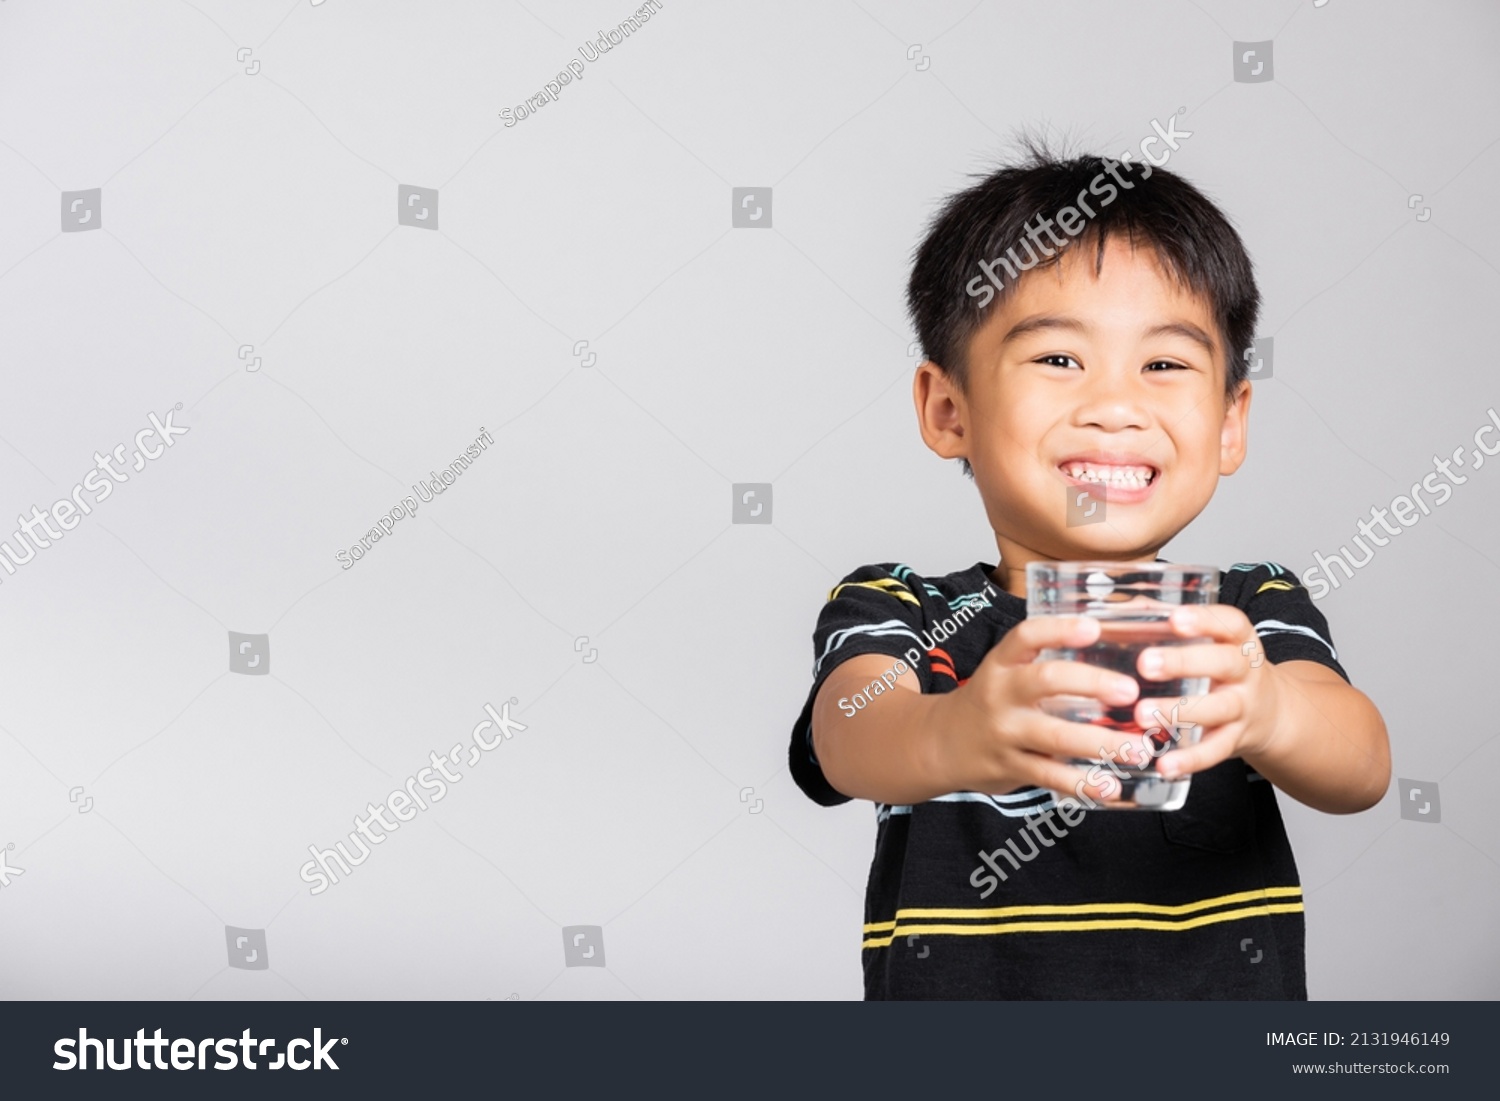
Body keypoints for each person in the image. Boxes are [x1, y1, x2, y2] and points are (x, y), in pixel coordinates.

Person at [789, 141, 1391, 999]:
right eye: (1058, 359)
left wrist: (1267, 705)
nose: (1115, 407)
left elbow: (1362, 764)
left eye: (1166, 365)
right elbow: (848, 735)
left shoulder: (1245, 611)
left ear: (1230, 422)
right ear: (947, 408)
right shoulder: (904, 606)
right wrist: (955, 732)